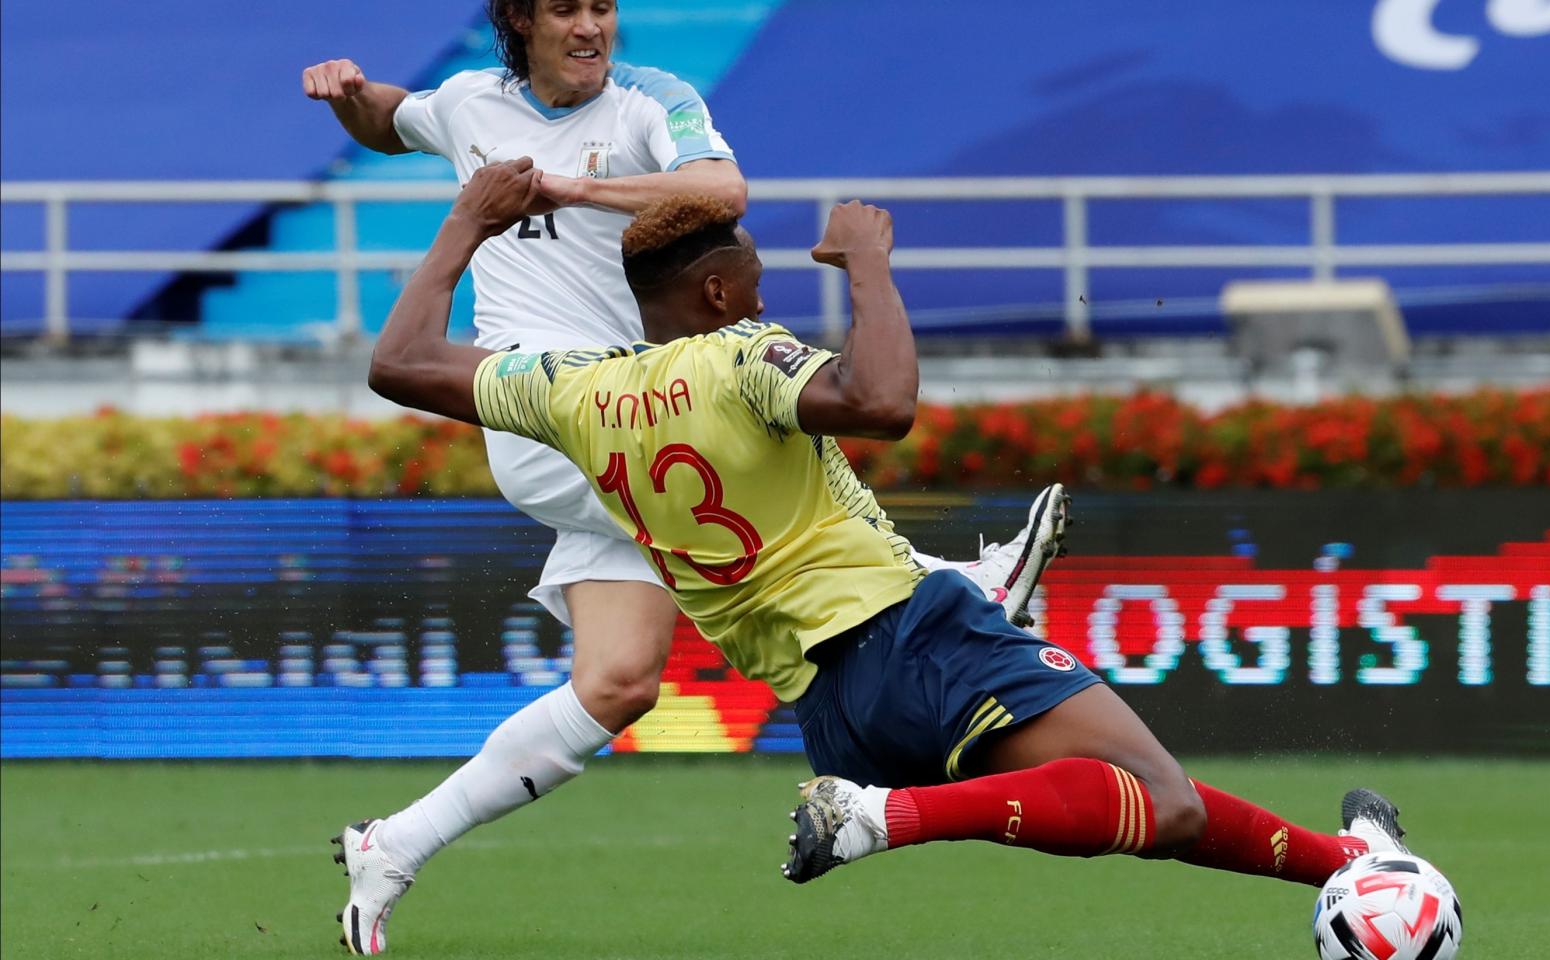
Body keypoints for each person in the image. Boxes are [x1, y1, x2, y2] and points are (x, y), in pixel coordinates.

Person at [357, 157, 1416, 948]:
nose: (766, 296)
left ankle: (1348, 864)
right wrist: (868, 265)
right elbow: (883, 403)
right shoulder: (740, 357)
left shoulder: (574, 391)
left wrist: (465, 223)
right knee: (1156, 796)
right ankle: (884, 811)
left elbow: (399, 362)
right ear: (717, 295)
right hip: (906, 635)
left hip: (829, 711)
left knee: (1132, 804)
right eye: (756, 280)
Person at [307, 5, 1063, 953]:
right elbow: (391, 119)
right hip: (563, 413)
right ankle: (953, 583)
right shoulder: (467, 103)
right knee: (753, 448)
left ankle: (394, 845)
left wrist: (568, 192)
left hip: (637, 416)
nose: (591, 25)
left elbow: (724, 188)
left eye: (602, 6)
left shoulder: (646, 104)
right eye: (566, 8)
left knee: (618, 685)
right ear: (517, 20)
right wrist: (347, 93)